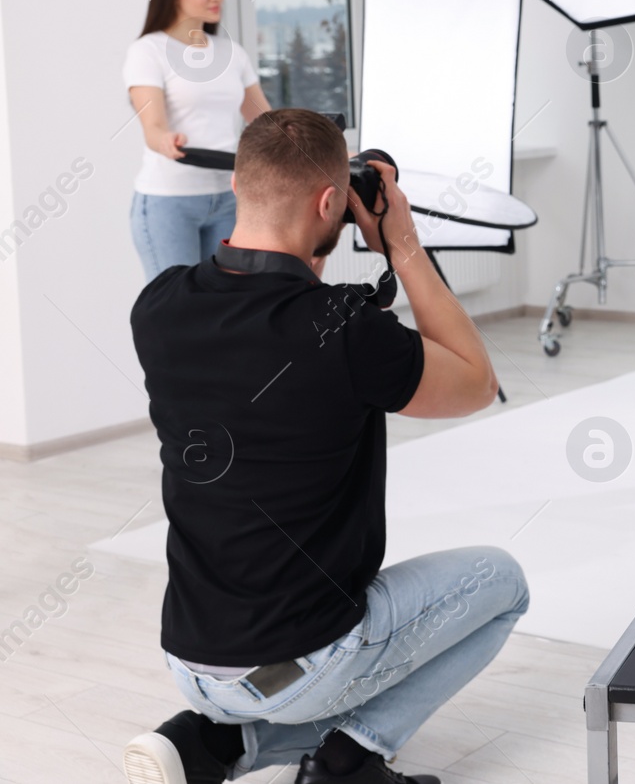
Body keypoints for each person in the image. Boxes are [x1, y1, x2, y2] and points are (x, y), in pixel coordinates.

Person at [122, 109, 525, 784]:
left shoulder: (159, 305)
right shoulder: (346, 330)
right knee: (503, 581)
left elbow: (259, 315)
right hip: (303, 662)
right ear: (331, 202)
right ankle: (346, 761)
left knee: (279, 661)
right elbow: (477, 382)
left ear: (241, 187)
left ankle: (220, 742)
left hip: (189, 657)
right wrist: (402, 246)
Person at [125, 0, 273, 282]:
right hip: (169, 203)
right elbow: (154, 127)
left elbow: (268, 124)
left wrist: (330, 150)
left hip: (229, 198)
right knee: (175, 314)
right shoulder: (147, 51)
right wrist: (165, 139)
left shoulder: (231, 53)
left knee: (225, 309)